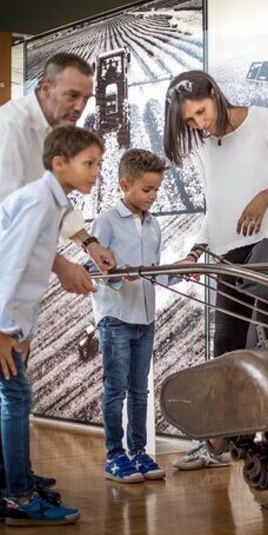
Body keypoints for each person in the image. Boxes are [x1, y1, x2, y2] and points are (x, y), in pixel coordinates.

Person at [0, 52, 116, 496]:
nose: (79, 105)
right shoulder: (11, 127)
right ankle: (14, 491)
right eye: (71, 95)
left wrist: (88, 243)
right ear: (44, 89)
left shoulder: (50, 136)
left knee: (3, 384)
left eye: (85, 98)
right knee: (11, 387)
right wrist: (61, 263)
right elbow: (9, 218)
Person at [0, 125, 104, 526]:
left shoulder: (50, 202)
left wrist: (23, 332)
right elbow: (7, 268)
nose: (95, 172)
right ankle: (21, 497)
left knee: (1, 397)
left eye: (98, 163)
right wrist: (1, 330)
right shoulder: (38, 203)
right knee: (16, 397)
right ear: (59, 163)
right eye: (89, 164)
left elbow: (28, 274)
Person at [162, 70, 268, 471]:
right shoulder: (206, 147)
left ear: (214, 93)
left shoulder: (262, 120)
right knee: (226, 351)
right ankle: (218, 445)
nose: (200, 123)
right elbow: (214, 209)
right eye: (190, 121)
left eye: (201, 112)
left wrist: (267, 196)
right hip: (228, 255)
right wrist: (195, 252)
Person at [90, 149, 173, 483]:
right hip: (115, 319)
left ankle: (139, 451)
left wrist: (181, 271)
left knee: (140, 391)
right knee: (116, 390)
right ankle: (115, 456)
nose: (153, 196)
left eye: (156, 190)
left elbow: (157, 273)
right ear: (125, 184)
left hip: (146, 319)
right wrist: (115, 274)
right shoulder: (106, 221)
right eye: (147, 190)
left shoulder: (154, 226)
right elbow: (92, 270)